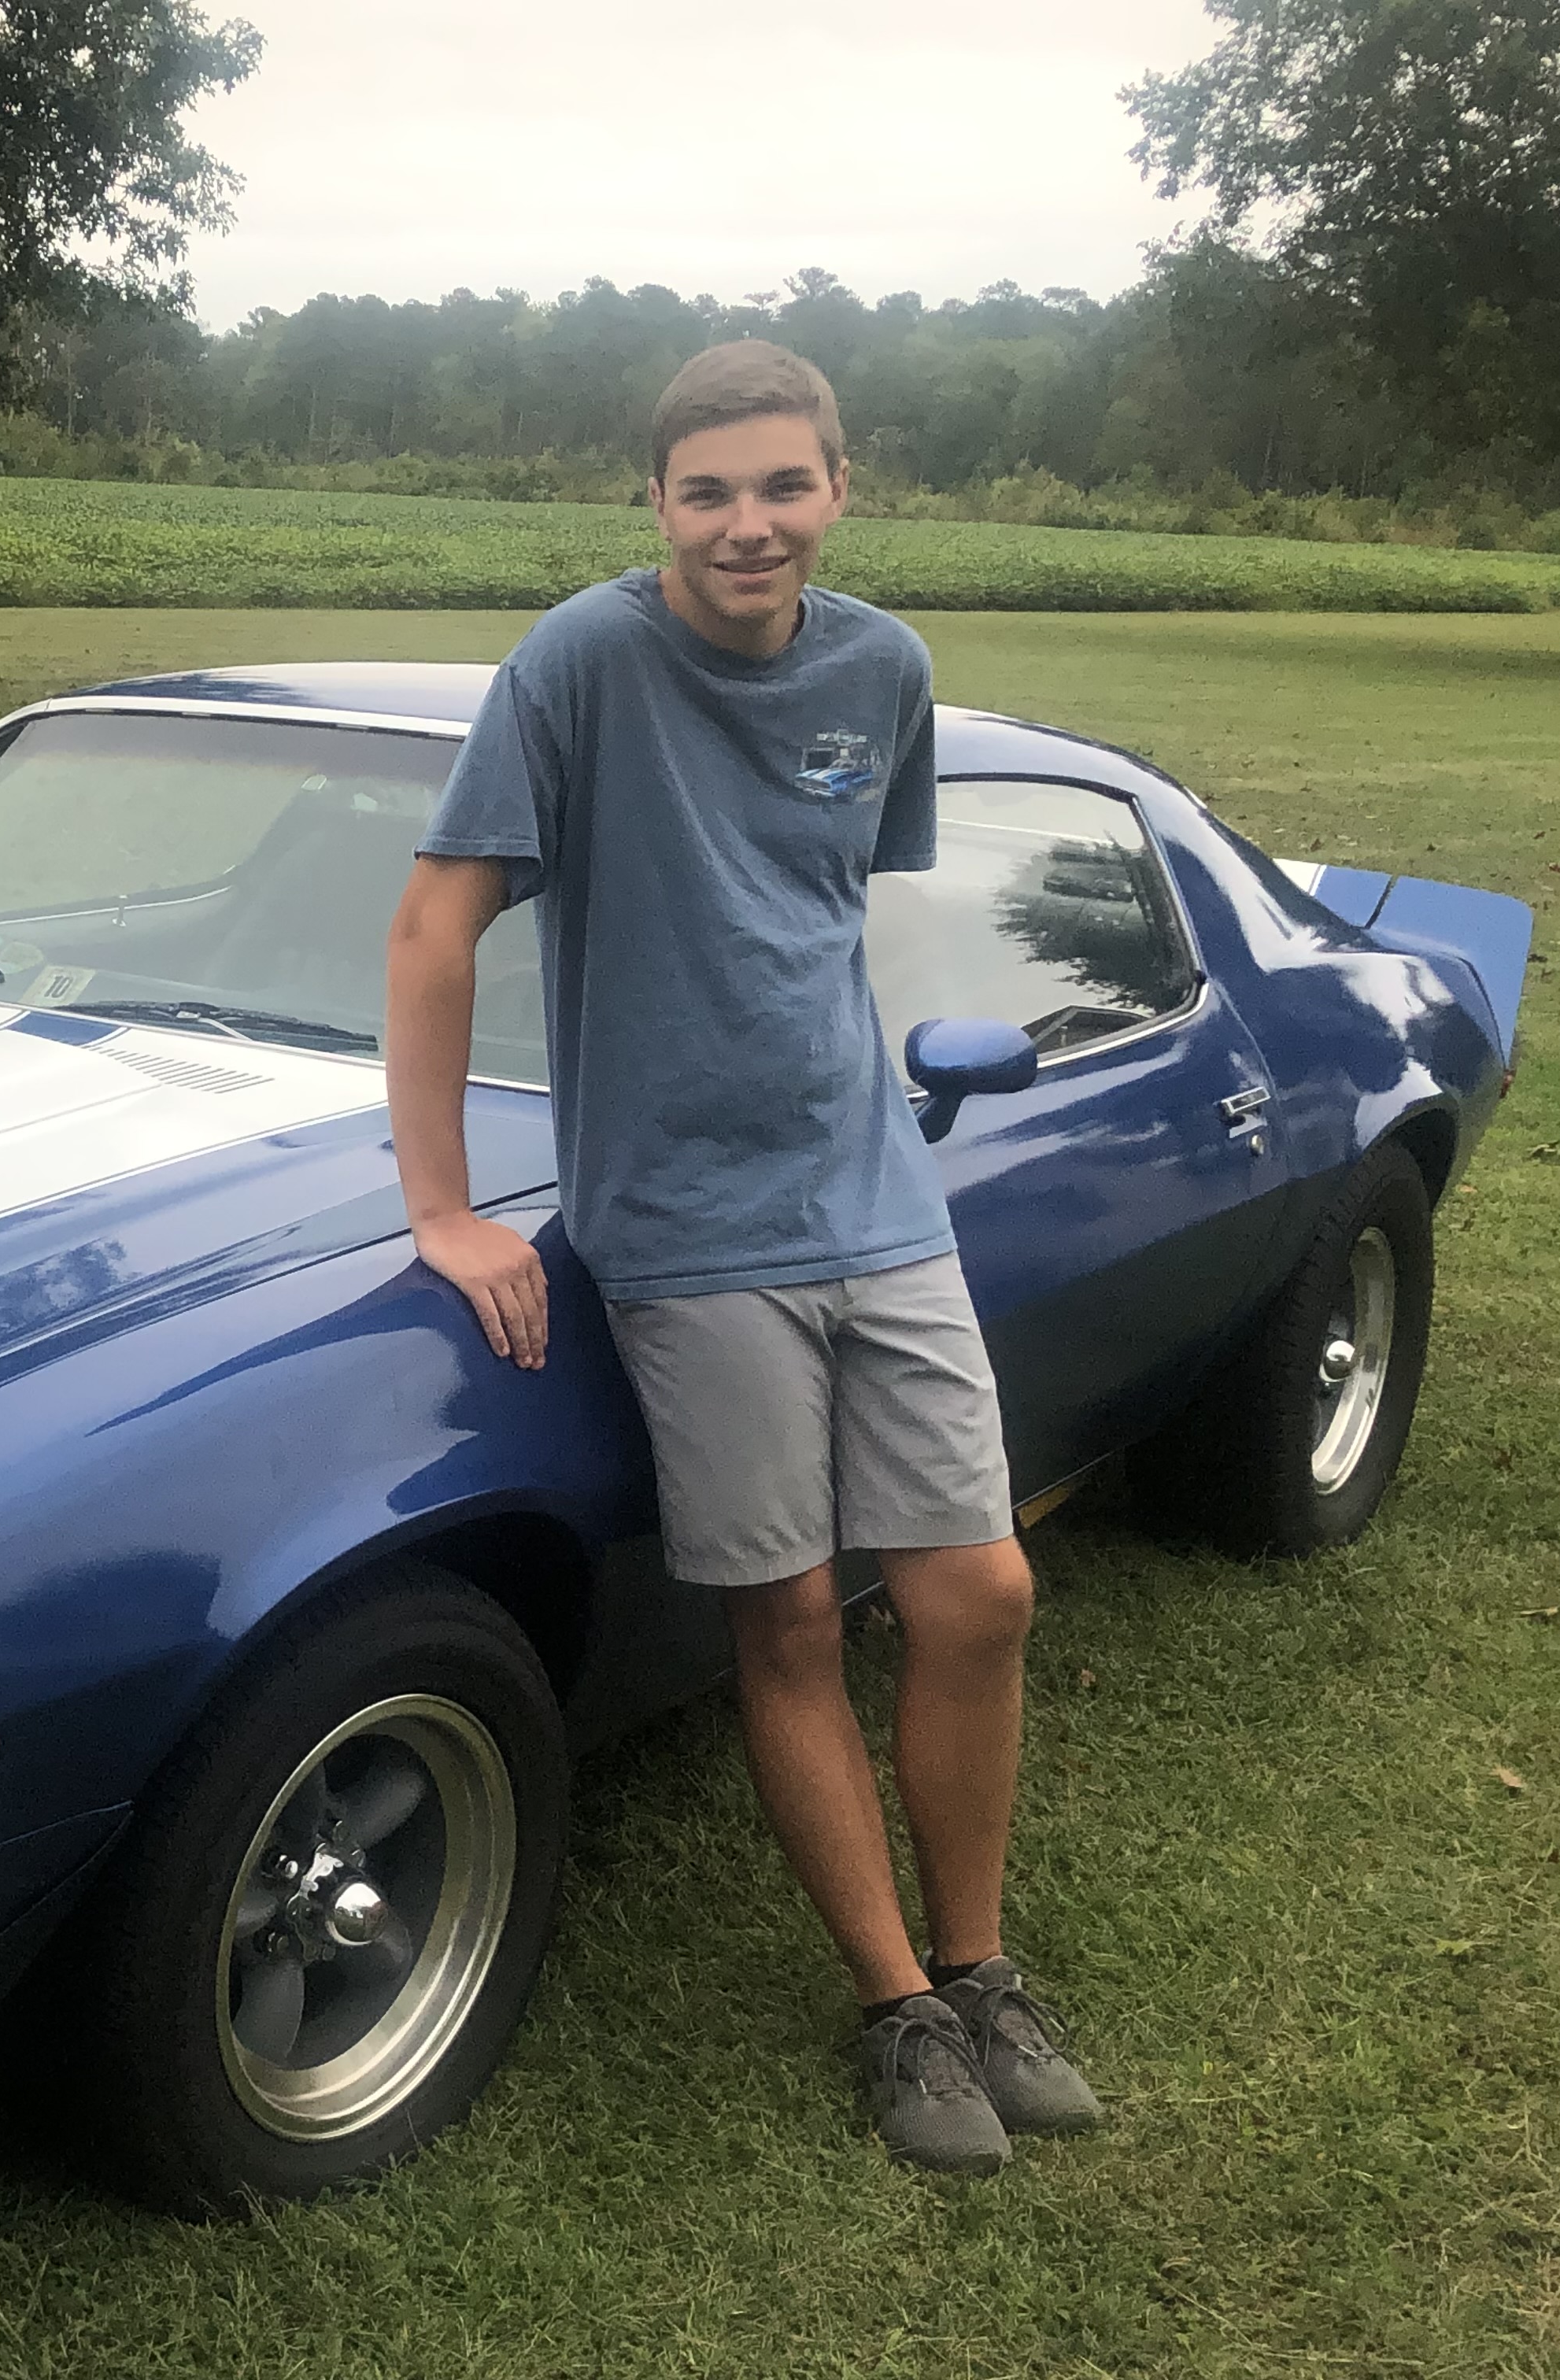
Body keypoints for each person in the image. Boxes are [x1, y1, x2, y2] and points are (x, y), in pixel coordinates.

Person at [382, 339, 1101, 2175]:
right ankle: (899, 2010)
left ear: (839, 489)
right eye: (708, 491)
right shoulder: (577, 665)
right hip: (687, 1237)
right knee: (782, 1619)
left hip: (872, 1196)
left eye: (783, 486)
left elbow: (819, 907)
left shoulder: (887, 669)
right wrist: (447, 1206)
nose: (747, 524)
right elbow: (436, 928)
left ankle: (984, 1960)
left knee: (979, 1596)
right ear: (659, 504)